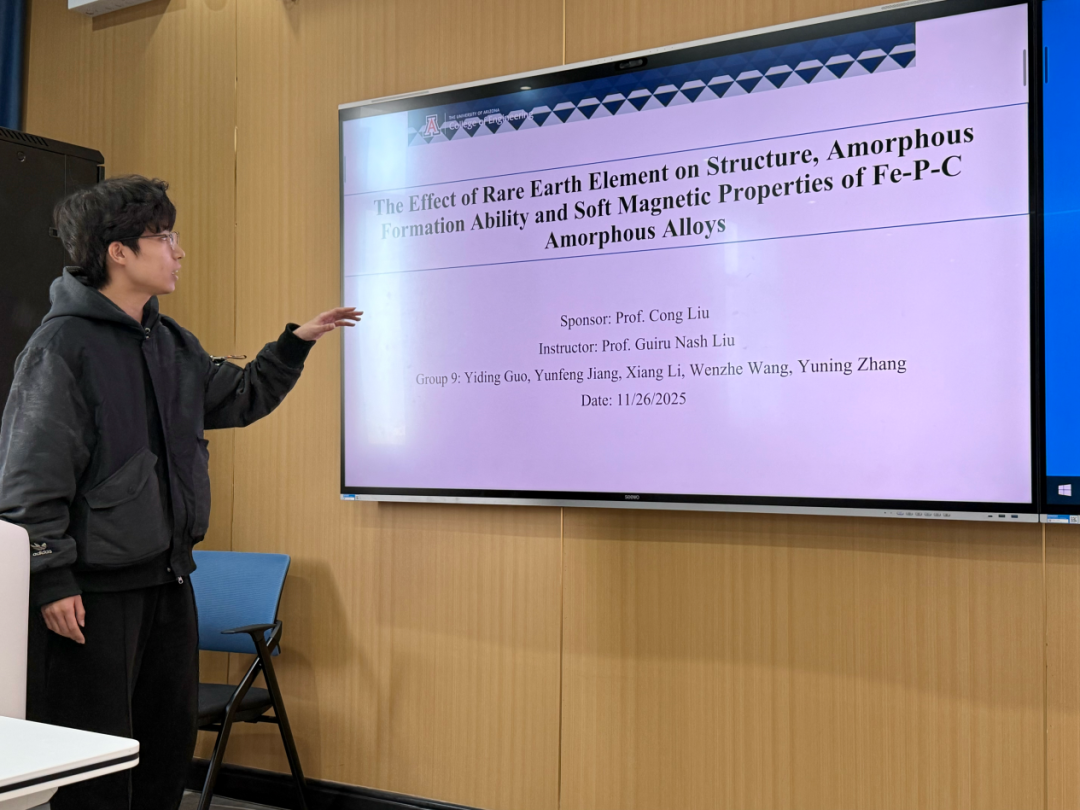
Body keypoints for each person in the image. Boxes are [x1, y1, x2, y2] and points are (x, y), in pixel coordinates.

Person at [0, 175, 360, 810]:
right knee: (97, 773)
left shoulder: (170, 342)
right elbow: (31, 477)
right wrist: (51, 578)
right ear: (118, 252)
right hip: (92, 595)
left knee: (165, 756)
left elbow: (241, 396)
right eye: (164, 237)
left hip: (169, 581)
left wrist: (292, 346)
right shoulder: (60, 347)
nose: (179, 250)